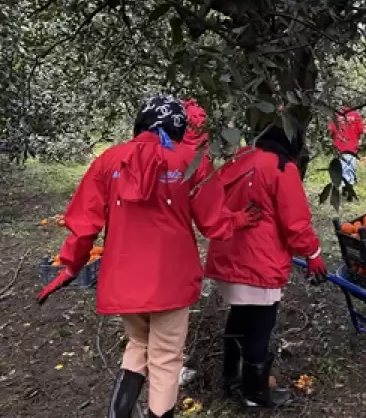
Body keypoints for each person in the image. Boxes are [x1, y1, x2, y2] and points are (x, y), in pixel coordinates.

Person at [36, 95, 260, 418]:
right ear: (179, 127)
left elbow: (83, 227)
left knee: (138, 344)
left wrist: (72, 264)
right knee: (166, 357)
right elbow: (214, 223)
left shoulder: (108, 161)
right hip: (172, 280)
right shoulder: (191, 162)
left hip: (123, 279)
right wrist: (239, 219)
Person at [204, 125, 327, 409]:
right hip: (258, 261)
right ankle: (255, 395)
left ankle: (231, 376)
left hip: (229, 255)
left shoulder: (241, 159)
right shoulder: (281, 167)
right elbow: (295, 222)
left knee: (239, 316)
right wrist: (314, 253)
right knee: (260, 326)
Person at [328, 106, 364, 186]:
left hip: (338, 148)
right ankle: (348, 188)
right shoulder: (356, 115)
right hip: (352, 148)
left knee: (340, 169)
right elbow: (361, 131)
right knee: (350, 169)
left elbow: (331, 132)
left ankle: (341, 187)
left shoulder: (335, 116)